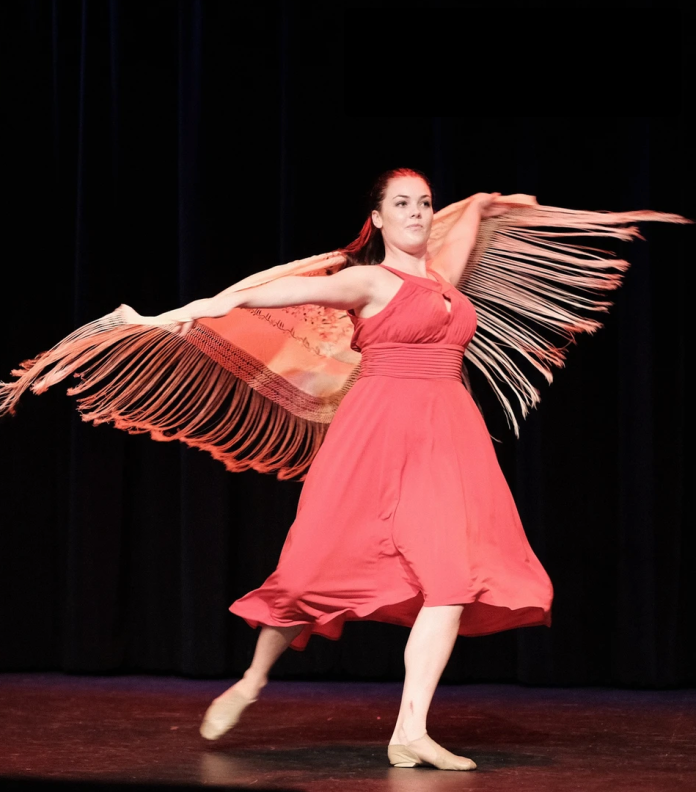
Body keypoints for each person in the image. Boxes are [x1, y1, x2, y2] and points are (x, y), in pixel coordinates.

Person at [155, 168, 548, 771]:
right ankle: (252, 680)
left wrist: (487, 204)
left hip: (448, 440)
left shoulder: (445, 281)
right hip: (377, 435)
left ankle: (410, 730)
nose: (417, 213)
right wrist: (218, 303)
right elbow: (284, 294)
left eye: (425, 203)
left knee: (451, 579)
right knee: (312, 572)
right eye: (402, 204)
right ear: (379, 219)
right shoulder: (368, 280)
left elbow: (464, 231)